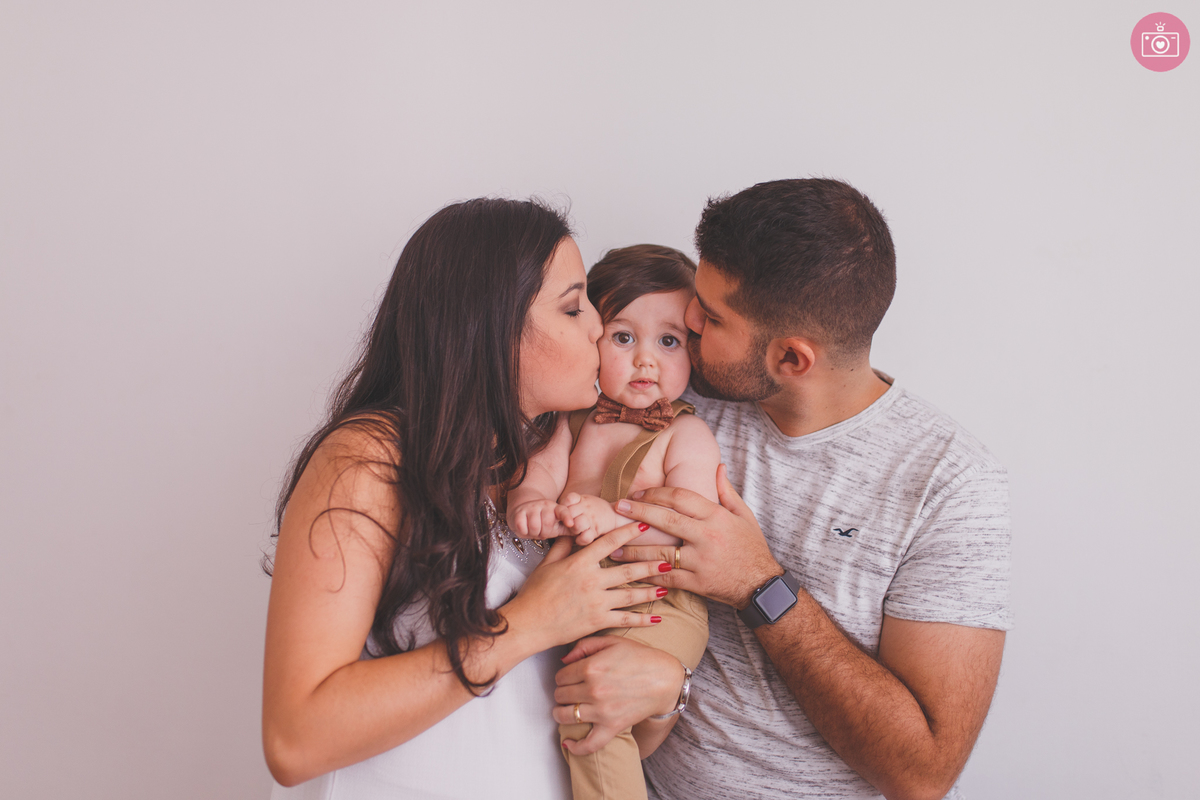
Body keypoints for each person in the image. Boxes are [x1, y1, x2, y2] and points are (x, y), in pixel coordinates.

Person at [558, 179, 1013, 799]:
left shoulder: (951, 486)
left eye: (710, 318)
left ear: (791, 360)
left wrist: (759, 586)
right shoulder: (668, 395)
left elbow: (922, 772)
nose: (685, 323)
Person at [261, 198, 674, 800]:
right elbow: (295, 741)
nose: (596, 326)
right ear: (490, 325)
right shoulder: (371, 460)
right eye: (573, 306)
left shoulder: (552, 468)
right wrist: (530, 623)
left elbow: (587, 736)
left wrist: (662, 696)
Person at [505, 245, 720, 800]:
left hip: (658, 603)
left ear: (692, 352)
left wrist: (608, 519)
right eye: (624, 338)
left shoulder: (684, 433)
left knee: (587, 712)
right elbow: (539, 474)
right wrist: (531, 505)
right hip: (584, 598)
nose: (645, 360)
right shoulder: (573, 420)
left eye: (668, 341)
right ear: (593, 338)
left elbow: (688, 527)